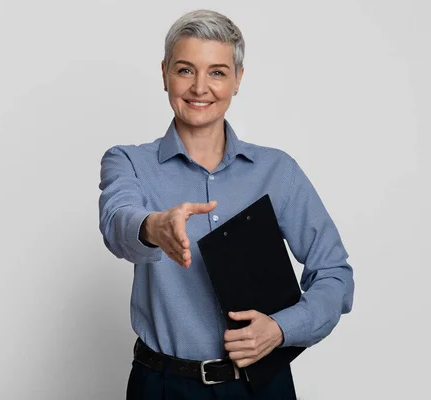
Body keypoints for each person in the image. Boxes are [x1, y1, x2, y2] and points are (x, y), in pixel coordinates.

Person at [98, 9, 354, 399]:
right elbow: (117, 220)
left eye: (217, 72)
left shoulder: (277, 171)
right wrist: (154, 227)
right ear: (165, 72)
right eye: (185, 70)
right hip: (163, 386)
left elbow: (335, 273)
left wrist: (281, 329)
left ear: (238, 80)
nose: (200, 87)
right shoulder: (128, 161)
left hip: (261, 387)